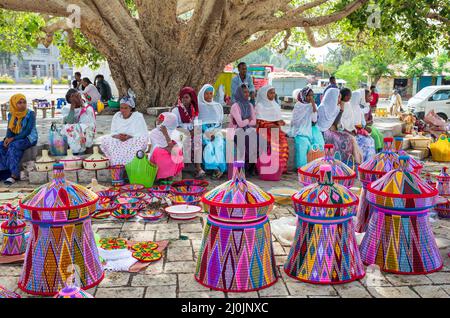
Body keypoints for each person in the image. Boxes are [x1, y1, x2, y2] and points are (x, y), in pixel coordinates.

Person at [100, 96, 149, 166]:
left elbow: (142, 134)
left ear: (131, 108)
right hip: (119, 141)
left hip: (132, 141)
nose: (123, 110)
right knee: (105, 139)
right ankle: (117, 164)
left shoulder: (138, 116)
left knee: (141, 140)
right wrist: (118, 136)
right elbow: (113, 133)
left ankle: (130, 165)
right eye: (121, 108)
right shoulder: (116, 116)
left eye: (126, 108)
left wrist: (129, 137)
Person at [0, 94, 37, 185]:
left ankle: (14, 175)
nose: (22, 105)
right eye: (19, 103)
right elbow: (10, 129)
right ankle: (4, 173)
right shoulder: (11, 114)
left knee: (13, 146)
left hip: (29, 138)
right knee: (2, 145)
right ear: (13, 104)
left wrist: (12, 139)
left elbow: (27, 131)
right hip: (15, 138)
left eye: (24, 102)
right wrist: (7, 139)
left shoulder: (30, 114)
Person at [322, 88, 363, 168]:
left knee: (351, 138)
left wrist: (352, 129)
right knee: (349, 139)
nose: (339, 99)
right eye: (338, 97)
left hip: (335, 129)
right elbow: (335, 123)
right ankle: (345, 161)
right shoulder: (324, 107)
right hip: (327, 130)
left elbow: (342, 123)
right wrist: (341, 110)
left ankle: (352, 161)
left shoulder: (340, 105)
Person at [255, 85, 289, 175]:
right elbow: (259, 122)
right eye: (271, 93)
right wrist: (271, 126)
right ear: (264, 94)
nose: (273, 95)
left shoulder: (275, 105)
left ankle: (281, 168)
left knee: (284, 143)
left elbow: (276, 119)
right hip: (264, 129)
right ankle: (273, 167)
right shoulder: (260, 106)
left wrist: (280, 122)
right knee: (274, 143)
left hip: (275, 129)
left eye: (274, 92)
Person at [172, 87, 204, 178]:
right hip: (180, 132)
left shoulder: (194, 110)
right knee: (182, 141)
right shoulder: (176, 110)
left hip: (191, 132)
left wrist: (192, 132)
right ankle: (179, 169)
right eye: (183, 97)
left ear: (191, 99)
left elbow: (196, 124)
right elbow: (175, 126)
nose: (184, 99)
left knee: (198, 139)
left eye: (186, 97)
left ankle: (198, 168)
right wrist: (186, 133)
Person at [290, 87, 324, 169]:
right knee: (303, 145)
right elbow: (295, 121)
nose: (311, 98)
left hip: (309, 129)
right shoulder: (298, 105)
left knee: (318, 145)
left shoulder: (313, 106)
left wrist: (313, 106)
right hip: (299, 130)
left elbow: (314, 120)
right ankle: (302, 168)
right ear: (304, 95)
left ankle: (316, 166)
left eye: (312, 96)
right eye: (309, 96)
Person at [197, 84, 226, 179]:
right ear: (202, 94)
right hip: (203, 131)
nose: (209, 96)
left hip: (215, 130)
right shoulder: (199, 106)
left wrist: (214, 132)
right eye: (207, 94)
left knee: (219, 144)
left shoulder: (217, 106)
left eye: (211, 93)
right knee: (208, 146)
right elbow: (198, 121)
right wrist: (206, 131)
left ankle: (221, 168)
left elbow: (219, 122)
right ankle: (215, 169)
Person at [228, 84, 257, 175]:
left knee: (259, 140)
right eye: (244, 92)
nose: (247, 94)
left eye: (248, 92)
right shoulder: (235, 106)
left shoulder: (250, 105)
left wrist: (246, 121)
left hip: (246, 130)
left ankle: (249, 168)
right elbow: (240, 124)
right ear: (239, 93)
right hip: (234, 131)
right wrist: (248, 119)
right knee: (245, 140)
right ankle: (242, 170)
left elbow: (254, 122)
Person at [149, 112, 184, 182]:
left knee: (177, 152)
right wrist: (167, 148)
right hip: (160, 154)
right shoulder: (154, 132)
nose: (157, 122)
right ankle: (162, 177)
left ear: (168, 122)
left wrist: (166, 135)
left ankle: (172, 176)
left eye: (161, 120)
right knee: (159, 151)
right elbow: (155, 147)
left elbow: (174, 150)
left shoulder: (179, 134)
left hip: (172, 153)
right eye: (158, 120)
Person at [61, 88, 97, 154]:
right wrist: (73, 106)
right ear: (70, 100)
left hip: (86, 132)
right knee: (70, 128)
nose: (78, 98)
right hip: (74, 134)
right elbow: (69, 122)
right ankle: (75, 151)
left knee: (84, 128)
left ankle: (82, 149)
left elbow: (90, 122)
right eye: (75, 97)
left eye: (78, 96)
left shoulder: (87, 107)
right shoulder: (66, 108)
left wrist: (82, 105)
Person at [344, 90, 376, 162]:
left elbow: (363, 123)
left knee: (371, 140)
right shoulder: (347, 108)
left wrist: (362, 127)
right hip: (350, 131)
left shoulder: (358, 108)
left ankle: (368, 163)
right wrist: (353, 128)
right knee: (365, 142)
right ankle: (362, 162)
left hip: (358, 131)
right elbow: (345, 123)